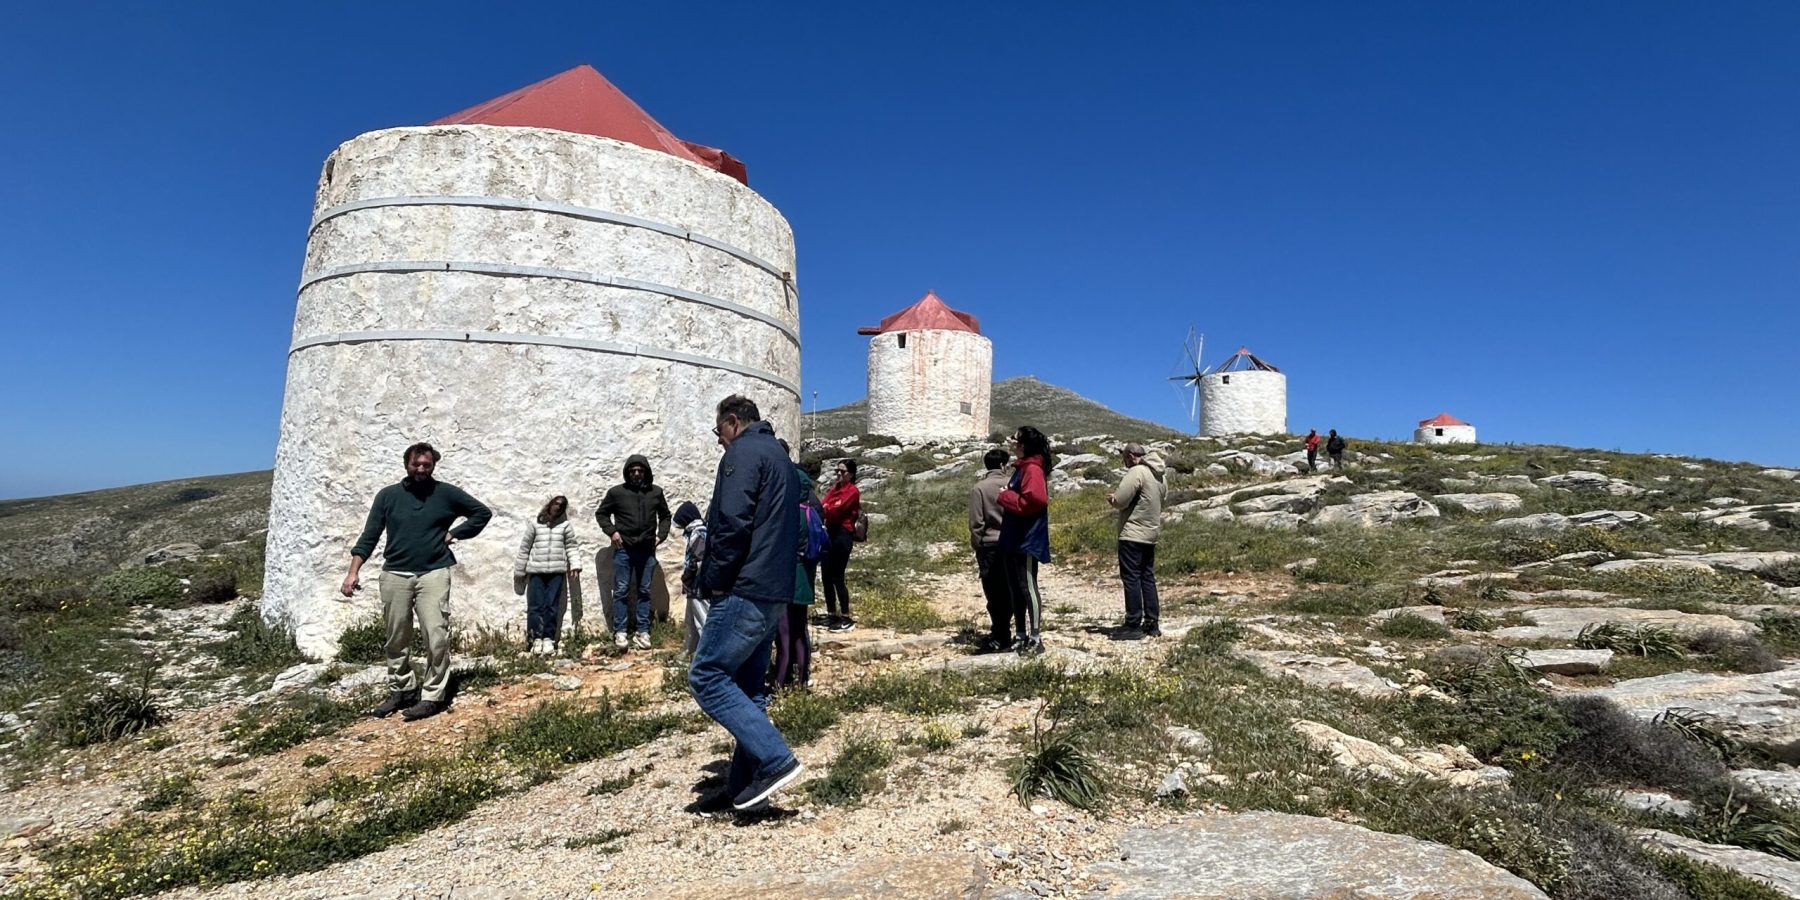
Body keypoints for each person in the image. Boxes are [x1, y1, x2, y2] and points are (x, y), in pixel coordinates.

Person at [690, 394, 804, 811]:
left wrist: (713, 580)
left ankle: (774, 759)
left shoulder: (742, 453)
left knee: (707, 676)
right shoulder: (782, 459)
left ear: (733, 422)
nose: (719, 441)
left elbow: (732, 523)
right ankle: (744, 788)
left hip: (744, 585)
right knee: (749, 689)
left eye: (718, 432)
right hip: (776, 587)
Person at [342, 442, 491, 722]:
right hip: (395, 573)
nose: (421, 469)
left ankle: (433, 695)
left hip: (434, 572)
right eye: (416, 464)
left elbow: (482, 513)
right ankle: (402, 689)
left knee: (436, 633)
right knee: (396, 636)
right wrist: (353, 572)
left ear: (433, 465)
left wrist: (455, 533)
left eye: (427, 465)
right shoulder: (388, 496)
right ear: (406, 464)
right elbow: (370, 535)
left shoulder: (445, 493)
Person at [596, 455, 671, 650]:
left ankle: (642, 632)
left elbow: (665, 516)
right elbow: (601, 514)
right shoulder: (616, 493)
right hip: (624, 550)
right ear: (627, 473)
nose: (636, 474)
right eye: (632, 471)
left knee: (644, 591)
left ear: (646, 472)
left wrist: (660, 536)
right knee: (621, 591)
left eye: (640, 470)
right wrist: (612, 532)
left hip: (647, 550)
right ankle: (620, 632)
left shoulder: (656, 492)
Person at [998, 426, 1052, 656]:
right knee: (1016, 587)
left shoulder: (1032, 469)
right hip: (1014, 537)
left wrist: (1005, 495)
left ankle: (1035, 636)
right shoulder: (1023, 468)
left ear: (1022, 445)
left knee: (1028, 587)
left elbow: (1036, 500)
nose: (1010, 441)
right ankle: (1020, 633)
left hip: (1026, 539)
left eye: (1014, 438)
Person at [1107, 443, 1167, 639]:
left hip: (1132, 533)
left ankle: (1133, 624)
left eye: (1125, 458)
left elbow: (1122, 499)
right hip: (1150, 534)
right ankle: (1152, 622)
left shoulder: (1137, 472)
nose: (1124, 462)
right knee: (1147, 577)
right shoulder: (1160, 475)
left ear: (1132, 456)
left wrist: (1113, 500)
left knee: (1131, 578)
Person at [771, 449, 819, 689]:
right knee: (800, 633)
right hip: (806, 582)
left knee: (784, 635)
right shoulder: (811, 512)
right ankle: (802, 680)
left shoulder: (787, 514)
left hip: (786, 582)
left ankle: (779, 681)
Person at [514, 495, 582, 655]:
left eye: (562, 505)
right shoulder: (535, 525)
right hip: (536, 572)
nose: (558, 507)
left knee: (552, 607)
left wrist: (576, 564)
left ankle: (548, 639)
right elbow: (525, 548)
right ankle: (535, 639)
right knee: (535, 606)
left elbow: (571, 546)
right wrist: (520, 570)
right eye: (556, 503)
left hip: (556, 572)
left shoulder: (565, 526)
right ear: (550, 505)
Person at [969, 448, 1012, 652]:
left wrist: (977, 544)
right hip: (1012, 543)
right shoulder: (1013, 484)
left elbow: (976, 522)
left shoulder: (980, 488)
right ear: (1004, 465)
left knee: (993, 592)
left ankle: (999, 632)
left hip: (990, 544)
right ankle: (1012, 632)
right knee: (1011, 589)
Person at [819, 458, 862, 633]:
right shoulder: (835, 488)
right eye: (837, 471)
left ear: (850, 475)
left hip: (843, 534)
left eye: (842, 472)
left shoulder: (853, 491)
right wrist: (829, 507)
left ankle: (845, 615)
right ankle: (832, 613)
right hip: (830, 533)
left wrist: (828, 507)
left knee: (837, 576)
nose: (838, 474)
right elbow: (825, 505)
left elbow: (837, 509)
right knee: (826, 575)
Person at [675, 500, 709, 657]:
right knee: (691, 624)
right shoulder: (697, 533)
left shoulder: (698, 534)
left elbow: (698, 562)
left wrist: (687, 578)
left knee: (703, 622)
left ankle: (707, 655)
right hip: (693, 587)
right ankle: (690, 651)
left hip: (698, 587)